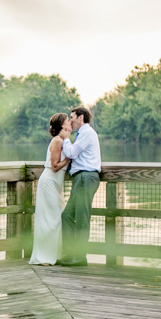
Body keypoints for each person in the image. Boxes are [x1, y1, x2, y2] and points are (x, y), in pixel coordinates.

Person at [57, 106, 102, 266]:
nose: (70, 121)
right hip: (81, 179)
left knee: (82, 218)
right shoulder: (83, 134)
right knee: (67, 216)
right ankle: (71, 253)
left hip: (86, 177)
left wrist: (66, 139)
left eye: (72, 117)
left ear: (81, 117)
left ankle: (80, 257)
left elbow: (71, 153)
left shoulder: (87, 133)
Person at [29, 114, 72, 265]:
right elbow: (54, 166)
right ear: (62, 125)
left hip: (56, 185)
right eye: (68, 120)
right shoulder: (57, 141)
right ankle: (44, 257)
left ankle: (55, 254)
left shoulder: (64, 141)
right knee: (52, 219)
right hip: (49, 182)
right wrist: (69, 158)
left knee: (57, 217)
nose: (70, 122)